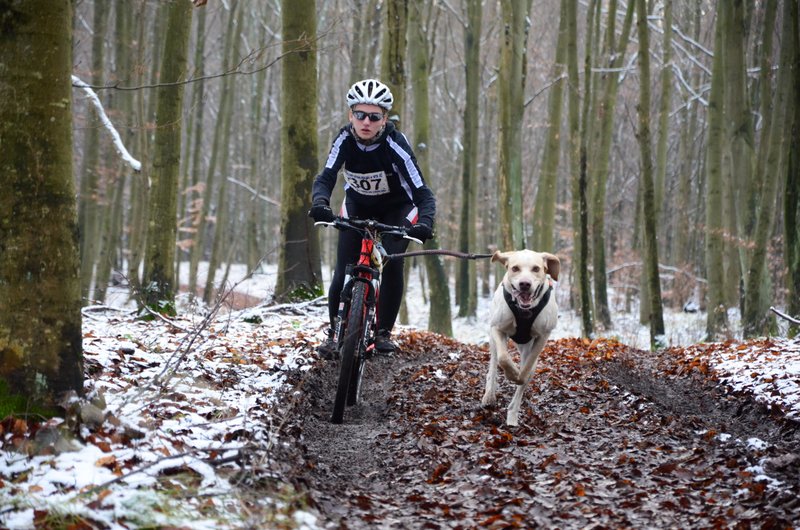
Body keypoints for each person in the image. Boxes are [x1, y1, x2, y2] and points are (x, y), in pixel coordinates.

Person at [309, 78, 436, 357]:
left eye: (374, 117)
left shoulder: (395, 143)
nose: (366, 122)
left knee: (391, 262)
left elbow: (423, 193)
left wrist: (425, 223)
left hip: (397, 209)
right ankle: (334, 333)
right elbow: (326, 177)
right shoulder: (344, 139)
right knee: (343, 267)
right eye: (360, 114)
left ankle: (382, 333)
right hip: (358, 205)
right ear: (350, 116)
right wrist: (320, 203)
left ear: (384, 120)